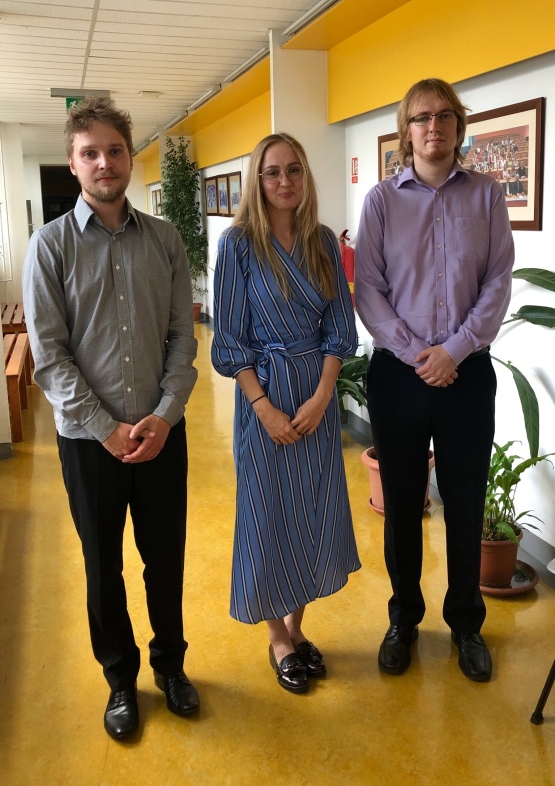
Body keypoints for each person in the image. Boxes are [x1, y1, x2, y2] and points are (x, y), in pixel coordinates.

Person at [22, 98, 200, 739]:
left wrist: (164, 414)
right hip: (89, 443)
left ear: (131, 156)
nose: (104, 162)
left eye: (115, 150)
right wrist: (105, 427)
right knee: (104, 565)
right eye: (90, 153)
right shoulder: (50, 247)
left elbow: (183, 338)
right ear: (73, 164)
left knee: (166, 560)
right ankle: (120, 680)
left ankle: (172, 666)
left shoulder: (166, 240)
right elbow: (51, 355)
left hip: (160, 436)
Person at [355, 78, 514, 683]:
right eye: (422, 117)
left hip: (467, 374)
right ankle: (404, 619)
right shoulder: (380, 201)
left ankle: (467, 625)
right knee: (401, 506)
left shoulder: (487, 196)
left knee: (466, 505)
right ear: (407, 131)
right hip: (400, 376)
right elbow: (369, 290)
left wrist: (454, 350)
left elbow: (499, 281)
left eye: (445, 116)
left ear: (458, 127)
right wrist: (421, 353)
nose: (434, 127)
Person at [211, 133, 361, 693]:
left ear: (305, 176)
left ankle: (298, 628)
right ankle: (277, 636)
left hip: (315, 404)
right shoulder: (238, 247)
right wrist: (264, 408)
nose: (284, 182)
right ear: (257, 179)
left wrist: (323, 398)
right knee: (267, 518)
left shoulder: (322, 241)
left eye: (293, 170)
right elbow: (229, 340)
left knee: (313, 515)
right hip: (264, 400)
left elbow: (339, 330)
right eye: (272, 172)